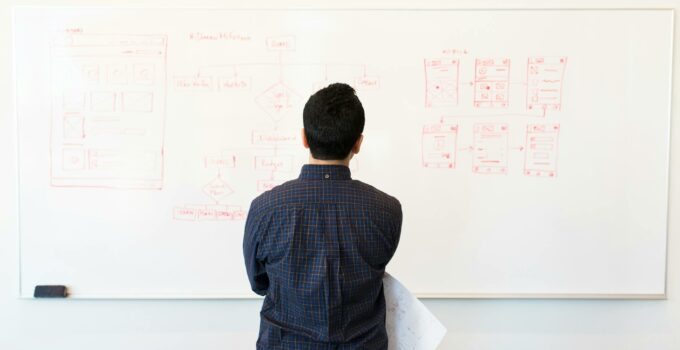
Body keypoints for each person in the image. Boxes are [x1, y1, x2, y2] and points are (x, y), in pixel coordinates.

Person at [243, 83, 403, 349]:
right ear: (358, 143)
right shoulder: (387, 210)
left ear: (304, 138)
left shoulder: (265, 208)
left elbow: (259, 283)